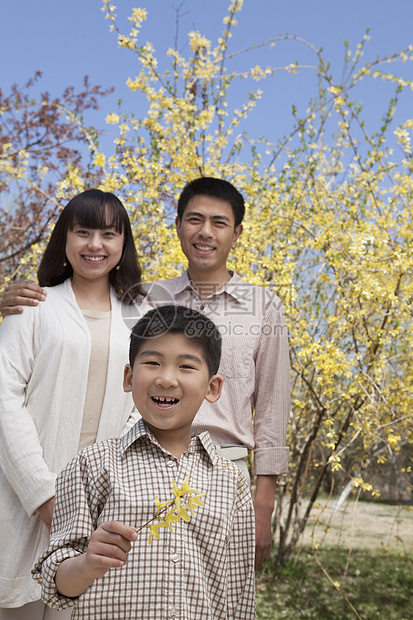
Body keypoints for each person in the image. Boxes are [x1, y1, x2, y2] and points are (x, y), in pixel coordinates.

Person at [1, 176, 291, 569]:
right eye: (194, 220)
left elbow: (273, 407)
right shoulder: (145, 298)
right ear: (177, 225)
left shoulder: (264, 307)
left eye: (219, 223)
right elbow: (90, 303)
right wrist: (15, 299)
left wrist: (264, 502)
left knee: (221, 595)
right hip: (146, 468)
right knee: (145, 593)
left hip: (225, 470)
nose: (205, 232)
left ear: (236, 232)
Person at [32, 305, 256, 619]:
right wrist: (86, 564)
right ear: (129, 376)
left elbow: (239, 596)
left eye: (186, 367)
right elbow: (55, 584)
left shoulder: (230, 480)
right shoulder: (92, 465)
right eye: (152, 363)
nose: (166, 379)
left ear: (213, 388)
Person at [0, 189, 151, 618]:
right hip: (23, 495)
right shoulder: (33, 307)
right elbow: (3, 400)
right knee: (19, 604)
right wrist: (45, 495)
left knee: (82, 607)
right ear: (64, 241)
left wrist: (101, 493)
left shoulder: (138, 320)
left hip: (98, 503)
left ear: (123, 245)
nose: (95, 245)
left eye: (108, 233)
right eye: (82, 232)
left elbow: (139, 408)